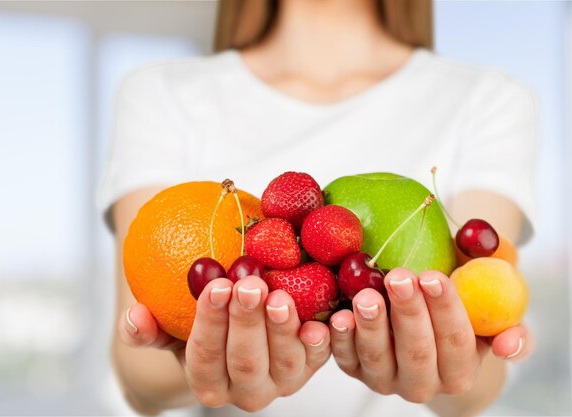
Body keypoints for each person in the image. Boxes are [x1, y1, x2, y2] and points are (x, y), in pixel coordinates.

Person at [98, 0, 537, 416]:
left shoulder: (489, 99)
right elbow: (138, 368)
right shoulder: (159, 92)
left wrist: (453, 376)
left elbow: (481, 356)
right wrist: (197, 363)